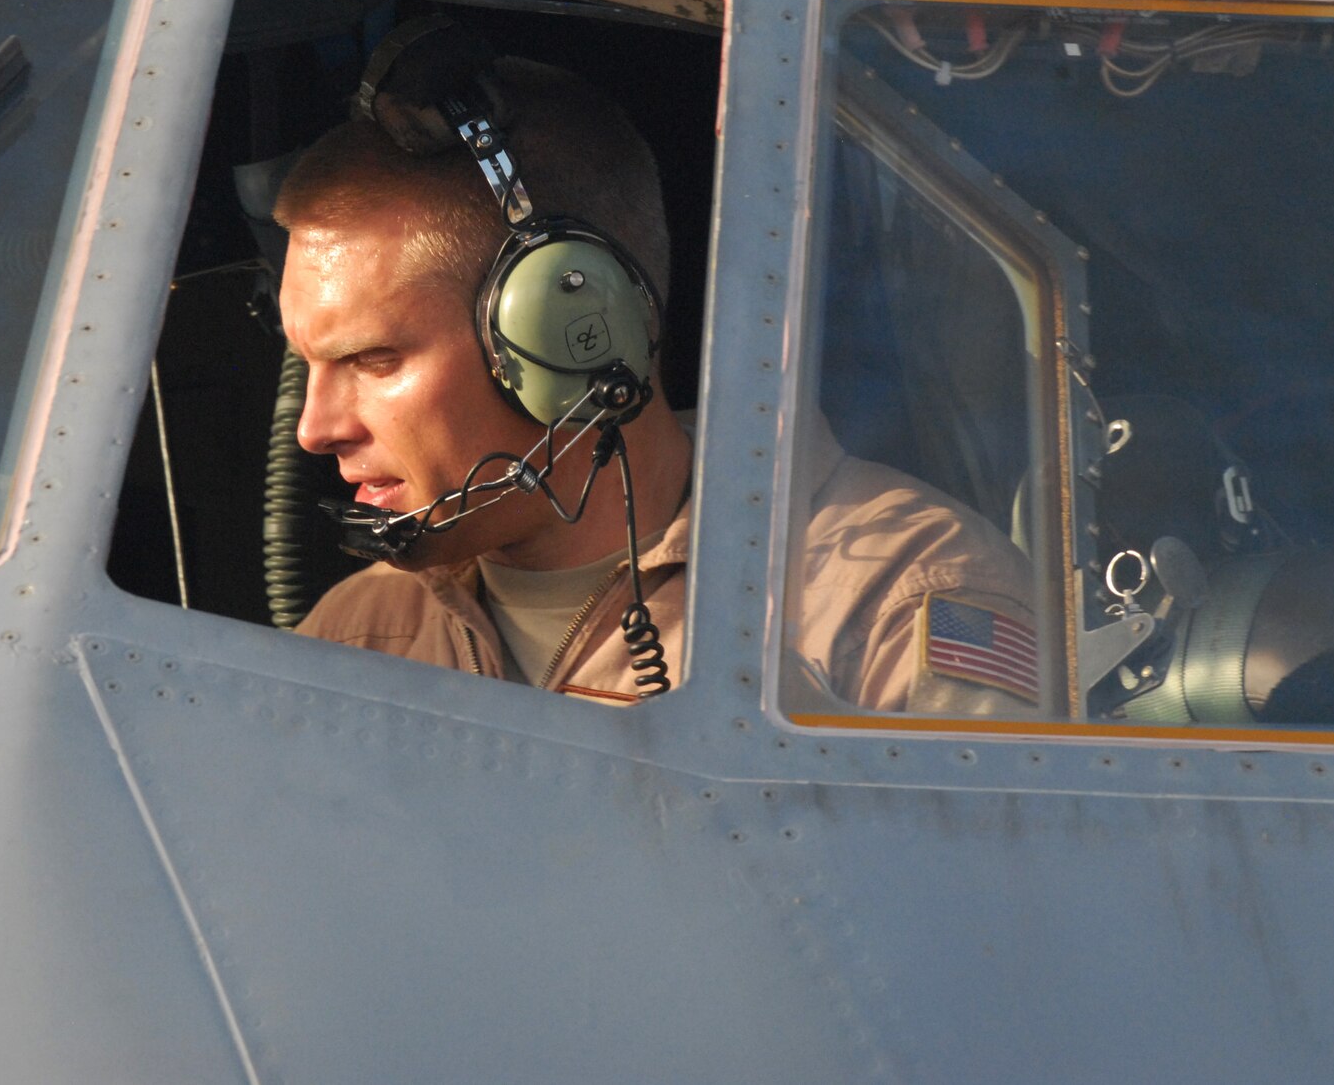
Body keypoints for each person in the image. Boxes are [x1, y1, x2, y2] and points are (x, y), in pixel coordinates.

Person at [275, 48, 1037, 711]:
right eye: (310, 364)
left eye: (373, 362)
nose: (316, 427)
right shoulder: (359, 634)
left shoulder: (898, 610)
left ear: (577, 338)